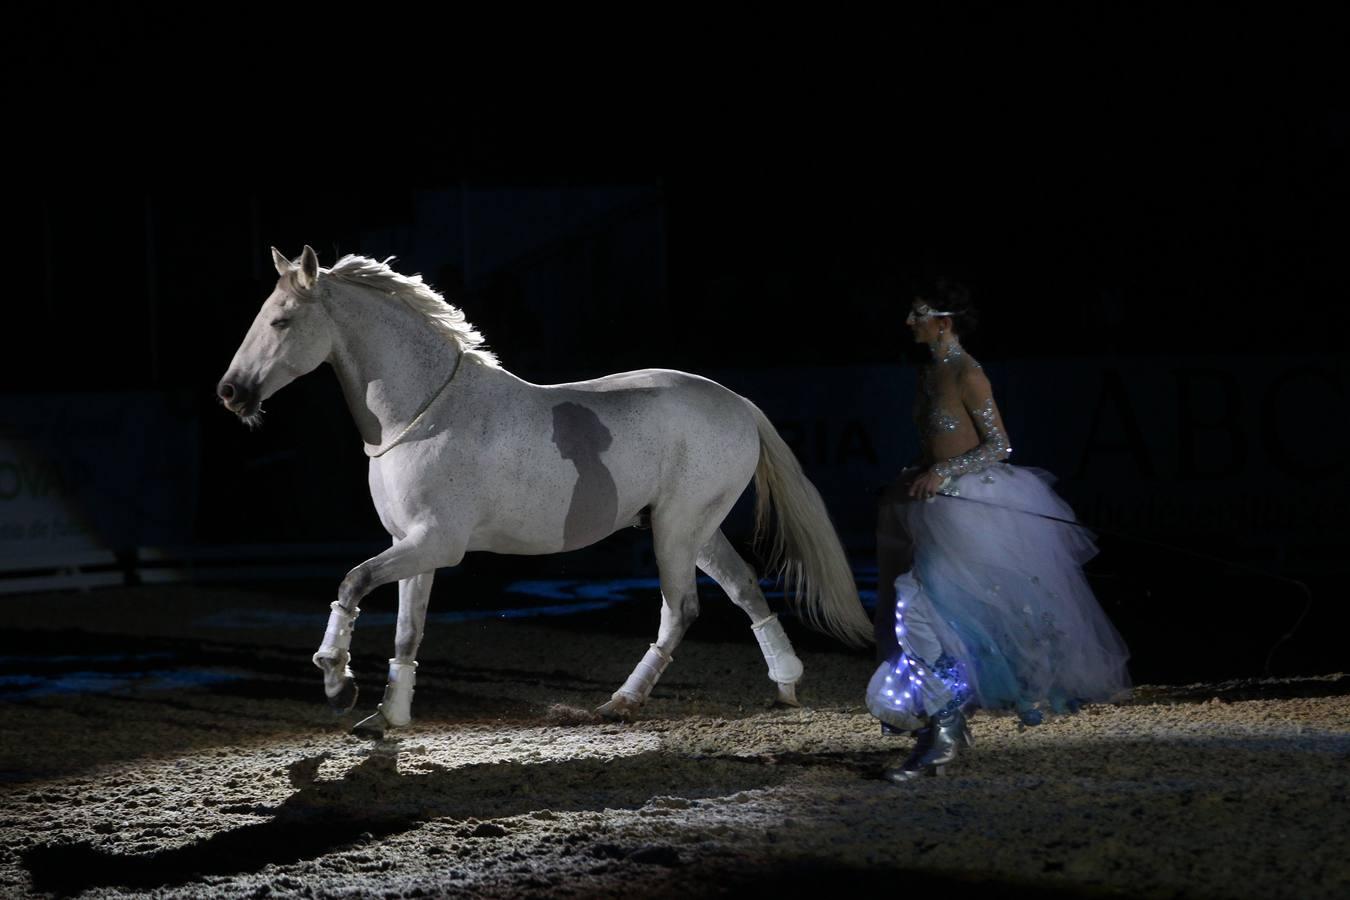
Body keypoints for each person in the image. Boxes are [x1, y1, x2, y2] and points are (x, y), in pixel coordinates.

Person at [868, 278, 1130, 782]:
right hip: (938, 508)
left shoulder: (969, 373)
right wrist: (920, 469)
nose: (908, 323)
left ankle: (946, 726)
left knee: (920, 605)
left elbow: (998, 446)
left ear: (943, 322)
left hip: (974, 509)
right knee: (926, 610)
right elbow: (941, 445)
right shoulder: (929, 374)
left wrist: (944, 472)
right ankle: (947, 720)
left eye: (917, 313)